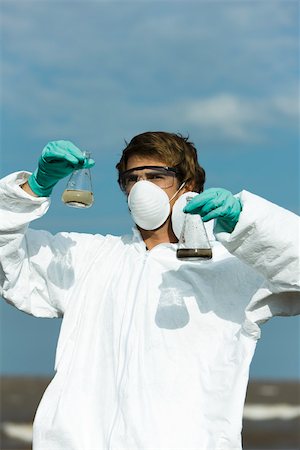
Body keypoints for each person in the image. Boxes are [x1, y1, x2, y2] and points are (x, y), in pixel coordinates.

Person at [0, 131, 299, 450]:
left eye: (156, 176)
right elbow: (10, 261)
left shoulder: (233, 264)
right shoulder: (91, 258)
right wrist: (32, 188)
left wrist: (246, 222)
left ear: (189, 186)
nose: (142, 187)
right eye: (133, 178)